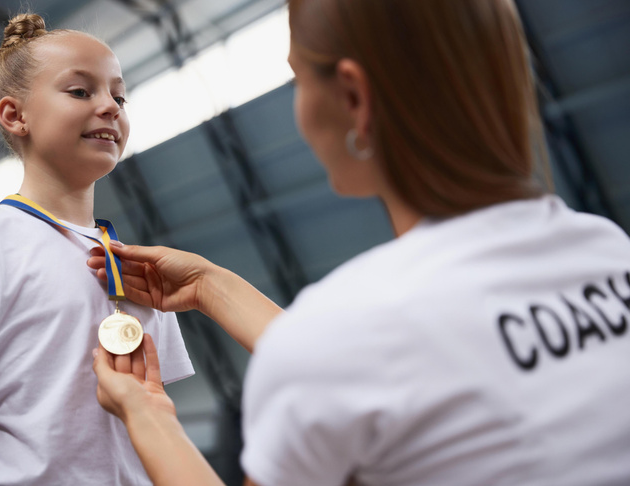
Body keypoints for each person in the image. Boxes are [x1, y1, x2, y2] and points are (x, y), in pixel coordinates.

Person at [90, 0, 630, 485]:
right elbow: (383, 362)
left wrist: (147, 414)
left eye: (298, 80)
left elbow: (351, 358)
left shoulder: (346, 331)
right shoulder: (608, 250)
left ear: (352, 96)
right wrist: (211, 284)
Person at [0, 13, 194, 486]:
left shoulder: (138, 268)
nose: (110, 107)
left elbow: (161, 423)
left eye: (119, 95)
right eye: (81, 91)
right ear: (14, 115)